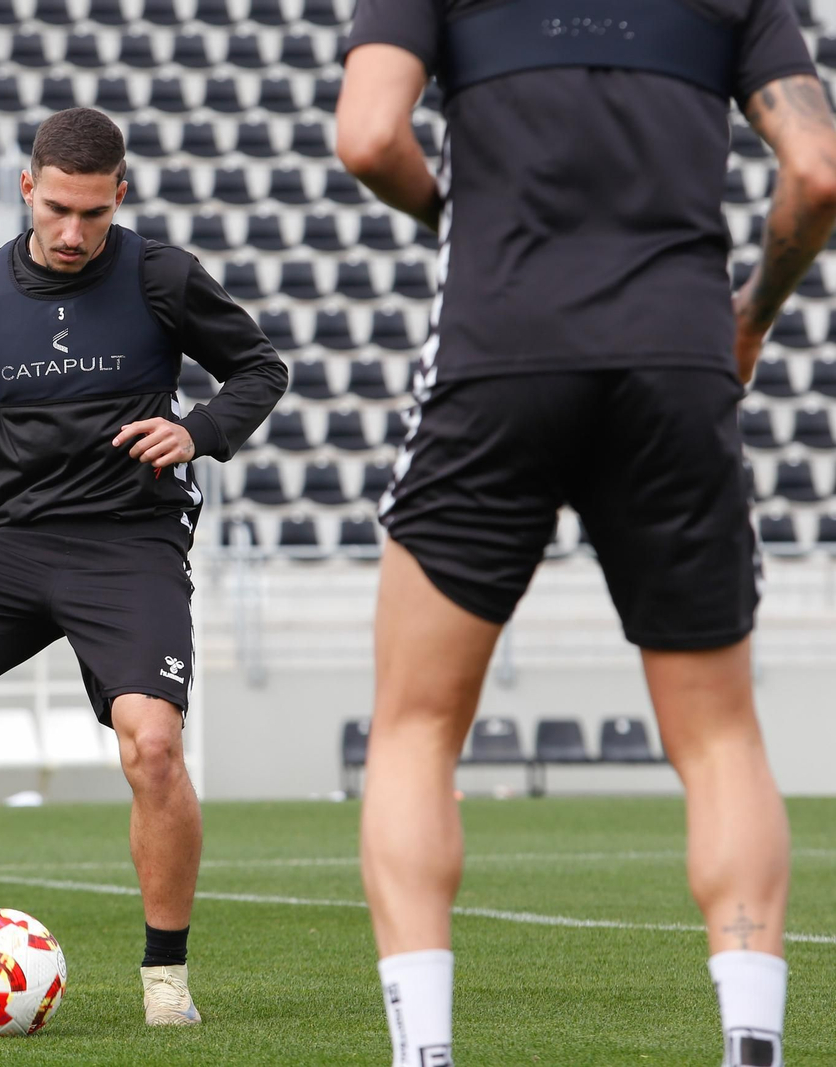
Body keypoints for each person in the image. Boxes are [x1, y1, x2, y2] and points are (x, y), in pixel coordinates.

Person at [336, 1, 836, 1063]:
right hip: (677, 361)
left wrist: (458, 221)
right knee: (720, 739)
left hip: (498, 351)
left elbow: (369, 136)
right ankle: (752, 1042)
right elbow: (818, 171)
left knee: (415, 728)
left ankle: (424, 1052)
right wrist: (750, 314)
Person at [0, 107, 287, 1025]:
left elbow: (259, 368)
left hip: (132, 545)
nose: (74, 231)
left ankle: (165, 975)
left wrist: (197, 430)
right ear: (27, 189)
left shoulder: (161, 275)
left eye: (93, 212)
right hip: (22, 542)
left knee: (152, 745)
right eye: (56, 209)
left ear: (119, 194)